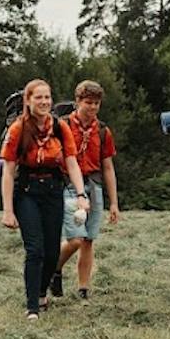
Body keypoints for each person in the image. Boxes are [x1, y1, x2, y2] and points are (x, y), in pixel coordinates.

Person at [0, 79, 89, 321]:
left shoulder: (60, 128)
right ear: (28, 101)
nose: (44, 102)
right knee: (35, 249)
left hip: (53, 190)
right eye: (38, 98)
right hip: (26, 191)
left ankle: (41, 291)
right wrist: (7, 210)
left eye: (47, 97)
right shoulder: (18, 129)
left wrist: (81, 195)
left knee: (51, 252)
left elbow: (71, 162)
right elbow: (8, 170)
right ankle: (32, 307)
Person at [56, 80, 120, 301]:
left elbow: (108, 167)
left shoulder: (103, 131)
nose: (92, 108)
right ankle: (54, 268)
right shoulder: (62, 126)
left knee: (88, 239)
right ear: (77, 102)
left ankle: (84, 287)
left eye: (96, 103)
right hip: (69, 185)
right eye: (88, 103)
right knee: (75, 237)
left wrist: (114, 202)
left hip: (94, 185)